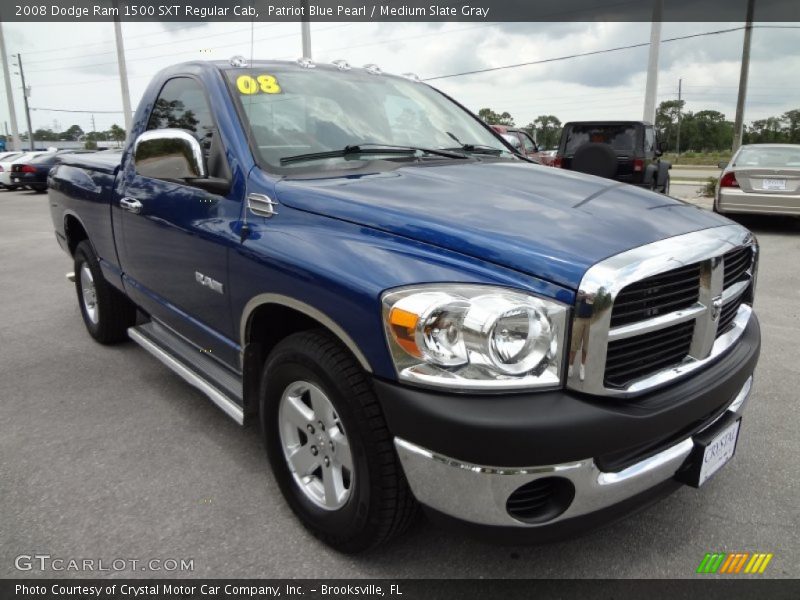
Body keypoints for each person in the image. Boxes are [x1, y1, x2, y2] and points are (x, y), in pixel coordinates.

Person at [569, 291, 594, 381]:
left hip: (589, 321)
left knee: (585, 346)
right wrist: (585, 296)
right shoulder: (582, 292)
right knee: (574, 344)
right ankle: (570, 366)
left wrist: (593, 297)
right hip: (579, 320)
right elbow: (577, 298)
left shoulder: (594, 294)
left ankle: (582, 368)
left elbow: (598, 304)